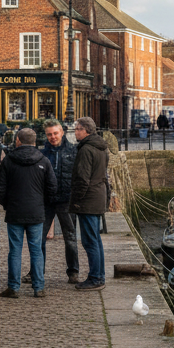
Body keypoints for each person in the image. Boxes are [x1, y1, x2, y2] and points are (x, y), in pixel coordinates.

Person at [0, 127, 56, 298]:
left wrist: (7, 204)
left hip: (15, 211)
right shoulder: (43, 160)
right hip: (36, 212)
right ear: (35, 142)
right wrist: (43, 204)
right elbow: (52, 187)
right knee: (36, 250)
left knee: (15, 250)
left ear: (18, 141)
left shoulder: (9, 160)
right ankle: (39, 287)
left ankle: (13, 287)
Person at [37, 119, 80, 284]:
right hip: (46, 200)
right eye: (49, 134)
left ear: (62, 132)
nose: (53, 137)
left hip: (66, 200)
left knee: (70, 237)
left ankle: (73, 271)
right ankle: (38, 271)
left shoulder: (73, 151)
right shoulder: (42, 153)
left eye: (55, 133)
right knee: (39, 238)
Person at [69, 116, 109, 291]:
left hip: (89, 200)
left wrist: (76, 201)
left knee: (90, 241)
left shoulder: (86, 150)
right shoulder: (101, 147)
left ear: (86, 130)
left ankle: (96, 277)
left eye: (78, 129)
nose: (75, 132)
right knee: (96, 240)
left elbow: (82, 179)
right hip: (98, 196)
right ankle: (99, 275)